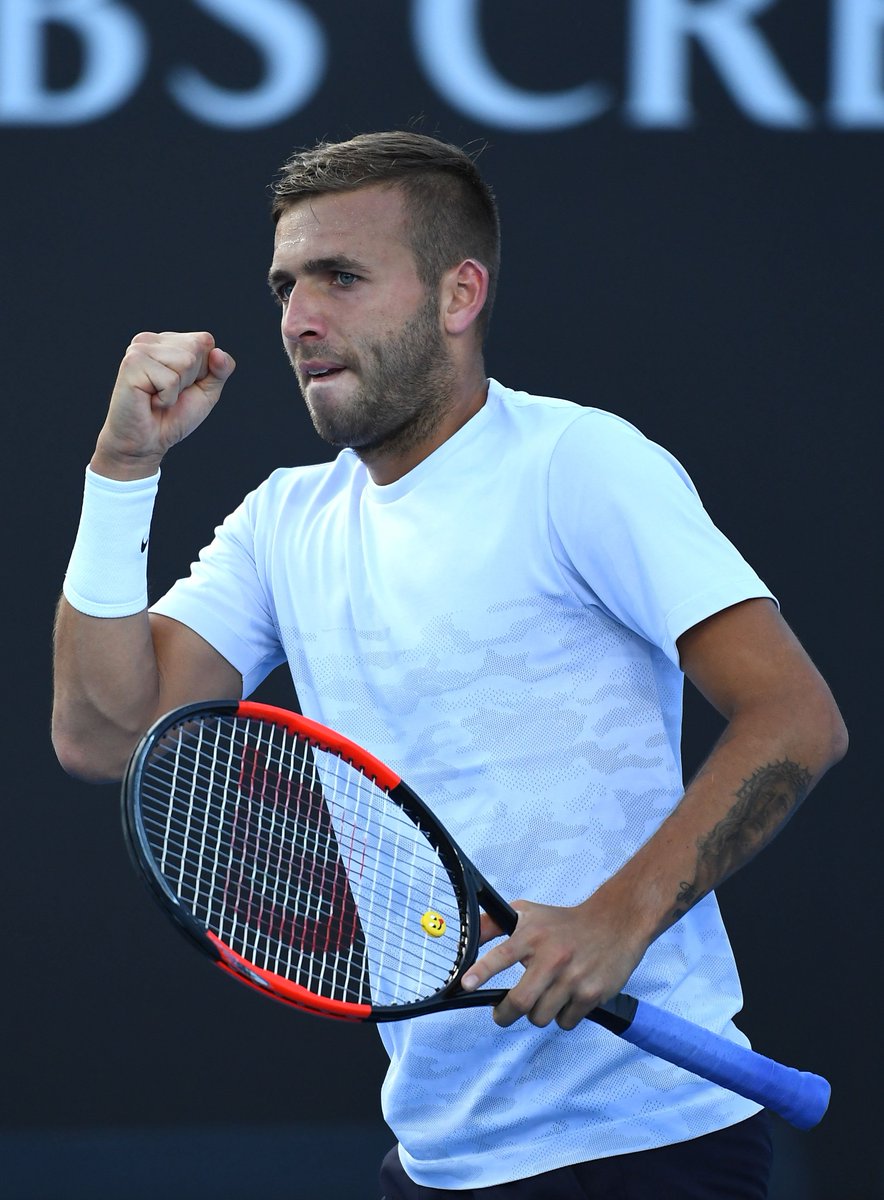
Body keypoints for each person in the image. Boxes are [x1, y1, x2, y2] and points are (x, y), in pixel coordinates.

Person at [52, 131, 847, 1199]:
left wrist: (617, 917)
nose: (297, 318)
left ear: (457, 293)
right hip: (439, 1160)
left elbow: (793, 716)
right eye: (286, 284)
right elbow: (104, 736)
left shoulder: (577, 463)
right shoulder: (283, 522)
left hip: (645, 1150)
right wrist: (122, 466)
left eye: (340, 276)